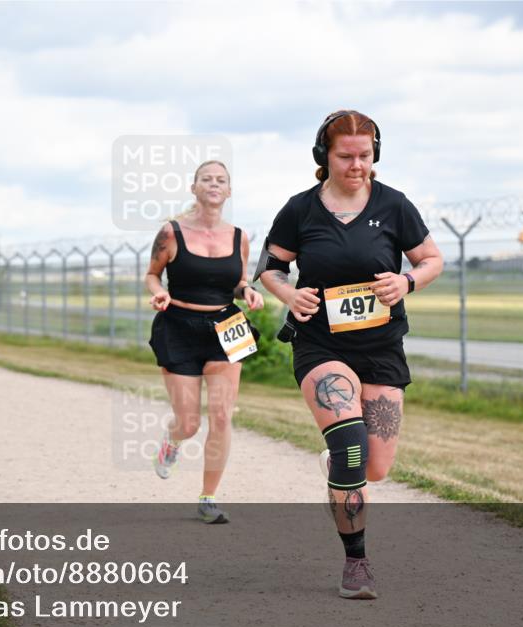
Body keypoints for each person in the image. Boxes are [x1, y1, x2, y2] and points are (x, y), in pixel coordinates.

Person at [258, 110, 443, 599]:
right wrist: (288, 294)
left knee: (375, 468)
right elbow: (271, 266)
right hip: (321, 344)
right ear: (324, 156)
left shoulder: (394, 205)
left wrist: (406, 281)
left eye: (365, 155)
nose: (357, 164)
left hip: (381, 348)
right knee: (351, 447)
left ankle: (342, 474)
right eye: (346, 156)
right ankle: (356, 563)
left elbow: (431, 259)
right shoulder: (300, 210)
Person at [145, 160, 265, 525]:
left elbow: (237, 280)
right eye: (206, 179)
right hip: (178, 323)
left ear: (228, 191)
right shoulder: (171, 232)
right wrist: (158, 294)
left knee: (223, 416)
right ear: (194, 188)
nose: (214, 184)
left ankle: (208, 497)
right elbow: (152, 275)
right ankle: (172, 441)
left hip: (226, 325)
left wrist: (248, 291)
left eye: (221, 180)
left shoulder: (239, 236)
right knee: (189, 422)